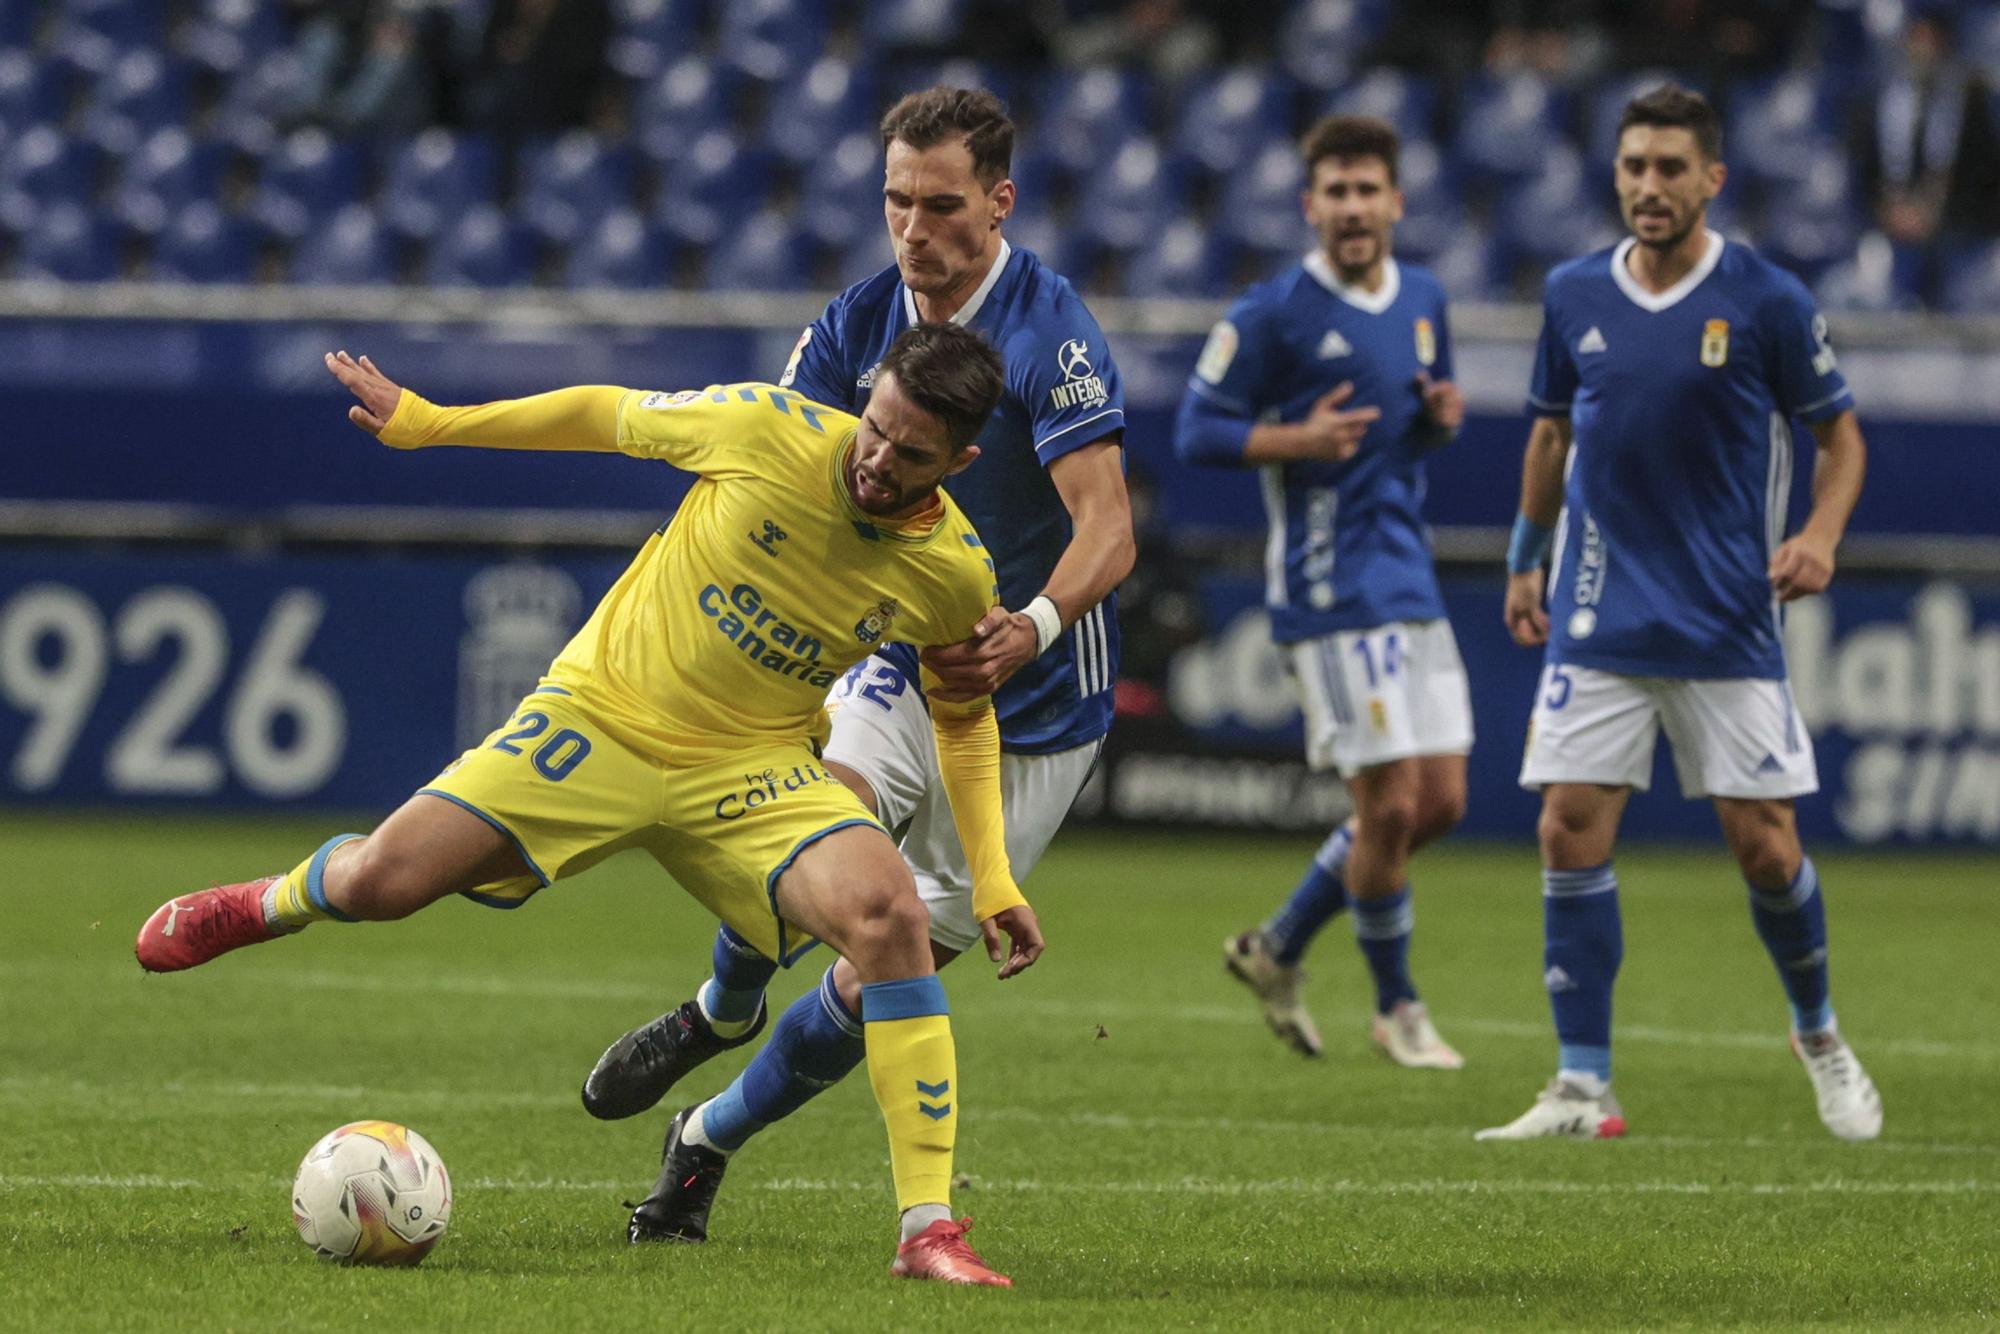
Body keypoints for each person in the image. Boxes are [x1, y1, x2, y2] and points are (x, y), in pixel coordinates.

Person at [133, 325, 1030, 1285]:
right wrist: (433, 422)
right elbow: (603, 413)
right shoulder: (766, 429)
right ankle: (266, 903)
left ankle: (927, 1230)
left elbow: (964, 715)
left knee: (890, 915)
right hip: (600, 716)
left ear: (961, 461)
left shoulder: (954, 572)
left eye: (912, 455)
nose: (879, 462)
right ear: (868, 401)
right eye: (877, 431)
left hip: (751, 765)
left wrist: (992, 877)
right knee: (380, 883)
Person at [578, 86, 1136, 1247]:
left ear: (998, 203)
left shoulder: (1052, 332)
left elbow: (1109, 532)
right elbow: (781, 465)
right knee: (810, 835)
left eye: (940, 205)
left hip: (1035, 694)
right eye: (894, 200)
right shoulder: (853, 322)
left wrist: (1029, 622)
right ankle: (722, 1003)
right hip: (897, 656)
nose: (912, 228)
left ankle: (705, 1138)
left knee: (878, 978)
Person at [1477, 84, 1881, 1143]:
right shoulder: (1571, 293)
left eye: (1668, 168)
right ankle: (1580, 1084)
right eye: (1631, 167)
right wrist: (1524, 559)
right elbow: (1549, 436)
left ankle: (1818, 1031)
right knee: (1564, 828)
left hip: (1725, 622)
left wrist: (1820, 537)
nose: (1647, 186)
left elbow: (1840, 439)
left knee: (1765, 848)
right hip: (1598, 612)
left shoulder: (1765, 300)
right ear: (1612, 174)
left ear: (1712, 178)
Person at [1175, 114, 1471, 1068]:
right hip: (1329, 589)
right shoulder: (1273, 314)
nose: (1351, 208)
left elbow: (1419, 420)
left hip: (1408, 577)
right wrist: (1295, 442)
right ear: (1311, 206)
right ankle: (1398, 1008)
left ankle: (1280, 945)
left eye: (1366, 190)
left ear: (1395, 201)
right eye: (1333, 192)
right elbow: (1197, 429)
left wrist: (1440, 422)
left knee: (1442, 804)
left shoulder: (1424, 297)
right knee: (1385, 809)